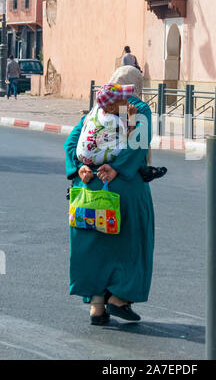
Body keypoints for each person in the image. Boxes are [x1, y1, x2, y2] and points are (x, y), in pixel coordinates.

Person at [64, 79, 156, 325]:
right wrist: (116, 169)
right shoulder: (139, 109)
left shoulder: (94, 112)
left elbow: (71, 143)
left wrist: (79, 167)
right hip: (124, 188)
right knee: (131, 243)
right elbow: (138, 145)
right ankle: (118, 299)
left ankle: (96, 305)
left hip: (89, 186)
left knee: (93, 246)